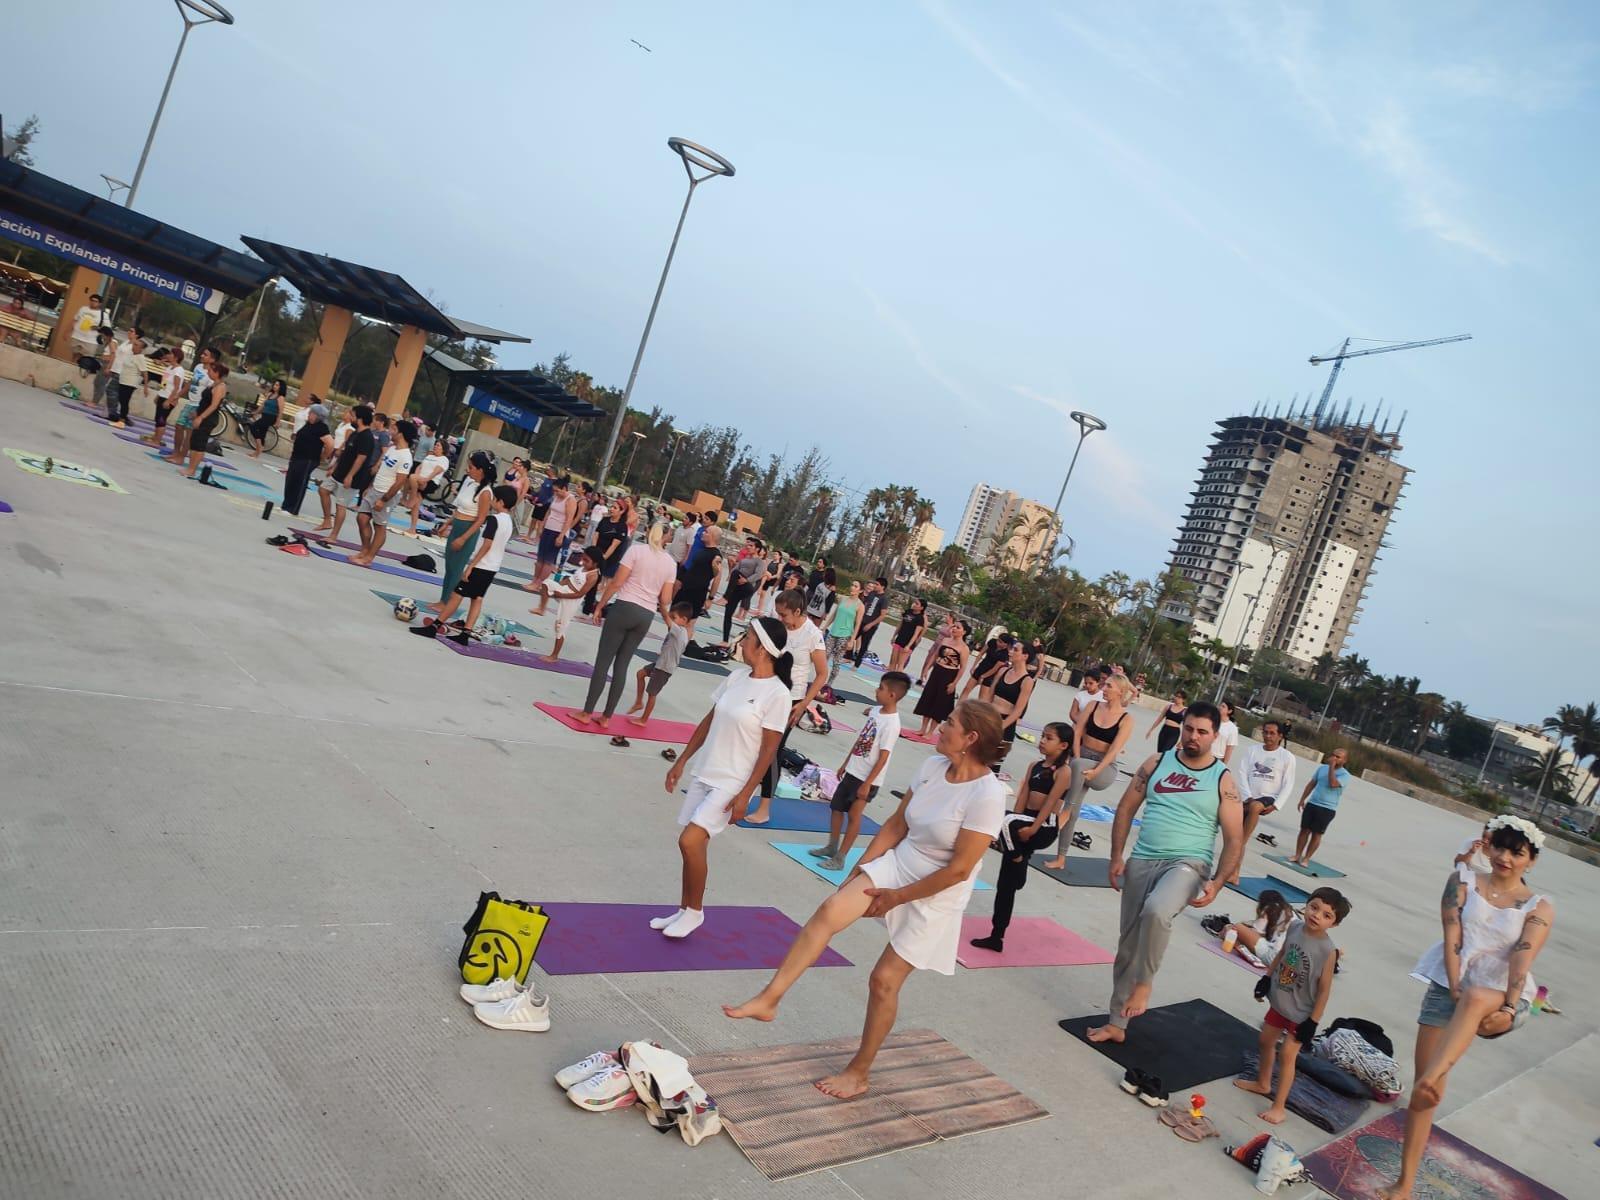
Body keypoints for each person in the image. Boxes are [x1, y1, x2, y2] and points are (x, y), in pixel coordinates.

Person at [723, 701, 1009, 1099]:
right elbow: (896, 824)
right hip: (904, 860)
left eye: (950, 723)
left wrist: (897, 897)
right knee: (830, 910)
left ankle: (859, 1071)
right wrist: (863, 868)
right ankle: (770, 998)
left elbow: (959, 869)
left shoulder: (988, 795)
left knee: (884, 982)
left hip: (940, 888)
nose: (941, 727)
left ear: (971, 739)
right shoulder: (931, 768)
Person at [1377, 817, 1553, 1200]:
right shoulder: (1462, 881)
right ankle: (1404, 1185)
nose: (1505, 858)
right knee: (1426, 1096)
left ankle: (1432, 1076)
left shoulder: (1539, 907)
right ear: (1488, 847)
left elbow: (1522, 960)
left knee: (1475, 1000)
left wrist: (1508, 1008)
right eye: (1500, 848)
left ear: (1531, 860)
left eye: (1517, 853)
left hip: (1502, 996)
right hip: (1448, 986)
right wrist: (1455, 985)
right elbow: (1451, 931)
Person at [1086, 701, 1244, 1045]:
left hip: (1189, 864)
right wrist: (1116, 855)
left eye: (1202, 732)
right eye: (1189, 729)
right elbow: (1127, 807)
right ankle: (1117, 1023)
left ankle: (1145, 983)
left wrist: (1217, 881)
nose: (1193, 737)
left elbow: (1234, 837)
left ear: (1215, 736)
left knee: (1157, 910)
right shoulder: (1156, 763)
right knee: (1128, 944)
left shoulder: (1222, 779)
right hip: (1143, 859)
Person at [649, 617, 794, 939]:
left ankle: (696, 912)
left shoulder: (777, 695)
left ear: (763, 648)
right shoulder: (736, 677)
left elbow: (768, 751)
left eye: (747, 638)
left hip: (733, 780)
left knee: (691, 840)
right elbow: (707, 721)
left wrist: (745, 794)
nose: (741, 643)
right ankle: (685, 909)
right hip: (707, 770)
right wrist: (682, 761)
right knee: (688, 845)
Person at [1236, 887, 1348, 1124]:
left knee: (1287, 1056)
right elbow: (1282, 955)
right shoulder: (1295, 927)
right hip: (1281, 1001)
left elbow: (1325, 989)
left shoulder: (1327, 951)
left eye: (1327, 915)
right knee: (1265, 1041)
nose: (1317, 915)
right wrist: (1266, 979)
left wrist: (1313, 1022)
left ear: (1334, 924)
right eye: (1314, 907)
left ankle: (1279, 1107)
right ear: (1306, 905)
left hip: (1301, 1014)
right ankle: (1263, 1083)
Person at [970, 721, 1074, 953]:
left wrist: (1032, 828)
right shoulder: (1034, 765)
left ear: (1063, 745)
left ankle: (1018, 859)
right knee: (1005, 885)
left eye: (1049, 738)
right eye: (1043, 736)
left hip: (1043, 826)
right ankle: (996, 936)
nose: (1043, 741)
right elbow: (1022, 797)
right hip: (1020, 824)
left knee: (1006, 823)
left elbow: (1050, 803)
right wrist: (1013, 826)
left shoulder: (1064, 771)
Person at [574, 522, 680, 729]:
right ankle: (606, 717)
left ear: (649, 532)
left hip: (624, 607)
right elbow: (666, 598)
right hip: (646, 614)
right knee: (622, 665)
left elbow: (616, 583)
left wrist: (599, 606)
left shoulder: (637, 551)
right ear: (667, 537)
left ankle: (587, 712)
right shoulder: (670, 563)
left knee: (603, 661)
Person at [745, 589, 829, 824]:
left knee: (772, 750)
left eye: (784, 615)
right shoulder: (781, 628)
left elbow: (822, 674)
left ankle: (764, 807)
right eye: (778, 614)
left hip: (792, 699)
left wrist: (804, 704)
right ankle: (744, 791)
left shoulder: (813, 634)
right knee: (753, 742)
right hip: (768, 690)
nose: (781, 619)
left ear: (798, 611)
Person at [812, 671, 910, 869]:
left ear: (892, 695)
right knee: (836, 808)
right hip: (853, 771)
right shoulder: (875, 712)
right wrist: (846, 762)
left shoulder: (892, 724)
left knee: (854, 816)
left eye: (881, 688)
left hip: (867, 779)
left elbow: (883, 757)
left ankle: (840, 857)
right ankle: (832, 846)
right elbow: (861, 740)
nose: (877, 691)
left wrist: (867, 783)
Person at [1041, 674, 1137, 868]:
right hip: (1081, 759)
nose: (1104, 689)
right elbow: (1077, 732)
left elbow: (1113, 750)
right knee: (1075, 807)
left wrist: (1095, 770)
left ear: (1120, 691)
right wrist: (1076, 756)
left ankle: (1065, 811)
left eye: (1109, 686)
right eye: (1104, 685)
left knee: (1071, 800)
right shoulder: (1093, 706)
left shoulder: (1127, 719)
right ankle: (1061, 858)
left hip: (1104, 768)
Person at [410, 485, 518, 643]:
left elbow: (487, 544)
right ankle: (465, 634)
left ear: (500, 502)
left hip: (482, 565)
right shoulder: (509, 521)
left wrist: (471, 566)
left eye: (493, 499)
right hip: (493, 566)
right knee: (477, 599)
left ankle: (434, 627)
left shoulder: (494, 520)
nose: (491, 502)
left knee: (456, 596)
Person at [434, 451, 497, 605]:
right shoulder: (469, 482)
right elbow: (458, 509)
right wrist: (447, 524)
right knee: (449, 566)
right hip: (457, 526)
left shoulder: (485, 492)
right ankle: (443, 600)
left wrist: (463, 538)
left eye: (471, 467)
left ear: (480, 470)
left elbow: (481, 519)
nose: (467, 470)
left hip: (468, 531)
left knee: (457, 569)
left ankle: (448, 603)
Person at [351, 418, 414, 567]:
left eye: (393, 429)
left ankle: (369, 557)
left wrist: (383, 499)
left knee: (379, 526)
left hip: (387, 495)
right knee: (361, 518)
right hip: (375, 489)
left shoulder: (405, 456)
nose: (390, 431)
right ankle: (365, 550)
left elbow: (399, 482)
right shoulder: (392, 448)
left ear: (401, 433)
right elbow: (382, 470)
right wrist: (370, 487)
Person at [1235, 719, 1299, 863]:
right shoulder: (1252, 750)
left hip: (1268, 797)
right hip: (1249, 796)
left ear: (1280, 736)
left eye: (1272, 733)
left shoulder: (1287, 757)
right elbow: (1242, 773)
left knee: (1255, 808)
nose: (1268, 736)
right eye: (1265, 732)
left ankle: (1242, 842)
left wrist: (1277, 805)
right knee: (1236, 835)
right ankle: (1234, 872)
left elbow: (1288, 783)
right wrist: (1248, 796)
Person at [312, 405, 374, 544]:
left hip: (353, 477)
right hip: (339, 472)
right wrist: (334, 467)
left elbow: (361, 458)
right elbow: (345, 453)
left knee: (341, 505)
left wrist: (350, 475)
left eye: (353, 415)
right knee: (323, 490)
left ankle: (334, 535)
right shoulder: (354, 433)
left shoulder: (367, 437)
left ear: (360, 419)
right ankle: (327, 520)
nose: (350, 418)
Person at [624, 601, 694, 725]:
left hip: (664, 668)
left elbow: (666, 618)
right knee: (640, 674)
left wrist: (662, 606)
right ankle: (639, 703)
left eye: (674, 618)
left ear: (684, 619)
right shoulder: (682, 632)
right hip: (661, 663)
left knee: (652, 694)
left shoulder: (678, 630)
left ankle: (643, 720)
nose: (671, 620)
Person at [568, 498, 628, 619]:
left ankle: (591, 609)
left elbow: (614, 545)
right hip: (598, 554)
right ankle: (586, 606)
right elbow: (596, 535)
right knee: (591, 581)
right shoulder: (605, 520)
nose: (612, 509)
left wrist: (603, 558)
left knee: (597, 582)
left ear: (621, 511)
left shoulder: (622, 527)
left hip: (609, 558)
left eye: (615, 508)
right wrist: (595, 552)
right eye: (612, 506)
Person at [911, 620, 970, 739]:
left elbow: (962, 668)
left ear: (964, 632)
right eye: (954, 626)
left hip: (949, 674)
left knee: (939, 702)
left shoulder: (964, 648)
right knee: (928, 697)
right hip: (937, 671)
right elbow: (935, 655)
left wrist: (954, 683)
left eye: (957, 627)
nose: (954, 629)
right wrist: (927, 669)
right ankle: (923, 728)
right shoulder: (946, 640)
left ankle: (930, 731)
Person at [538, 549, 598, 664]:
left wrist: (562, 594)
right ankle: (541, 608)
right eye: (583, 558)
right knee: (547, 583)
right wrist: (557, 587)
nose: (583, 562)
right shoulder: (582, 568)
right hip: (565, 590)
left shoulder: (593, 576)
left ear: (595, 563)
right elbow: (568, 580)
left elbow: (579, 594)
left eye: (587, 560)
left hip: (572, 599)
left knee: (560, 627)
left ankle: (554, 655)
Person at [981, 637, 1035, 762]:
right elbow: (990, 694)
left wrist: (1001, 726)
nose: (1010, 652)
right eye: (1011, 649)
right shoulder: (1003, 670)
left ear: (1025, 656)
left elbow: (1018, 710)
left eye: (1015, 650)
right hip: (991, 717)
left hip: (1005, 724)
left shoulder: (1027, 681)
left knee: (992, 763)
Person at [1293, 748, 1350, 867]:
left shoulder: (1345, 775)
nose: (1334, 758)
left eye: (1338, 757)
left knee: (1316, 834)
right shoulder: (1322, 768)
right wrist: (1302, 799)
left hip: (1327, 808)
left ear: (1344, 760)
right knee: (1304, 830)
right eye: (1333, 755)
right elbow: (1312, 784)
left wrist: (1331, 767)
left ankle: (1306, 858)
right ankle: (1297, 855)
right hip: (1313, 803)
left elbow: (1333, 783)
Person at [1205, 888, 1294, 963]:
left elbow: (1255, 930)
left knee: (1235, 928)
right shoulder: (1289, 912)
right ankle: (1237, 944)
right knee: (1240, 933)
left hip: (1273, 958)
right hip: (1287, 961)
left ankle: (1229, 938)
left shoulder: (1271, 908)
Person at [164, 346, 216, 466]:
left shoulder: (212, 374)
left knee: (189, 432)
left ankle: (181, 457)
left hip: (198, 405)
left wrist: (199, 411)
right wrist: (178, 395)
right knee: (178, 426)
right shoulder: (198, 367)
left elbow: (210, 395)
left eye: (206, 354)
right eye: (203, 353)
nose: (202, 356)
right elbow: (190, 383)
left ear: (212, 359)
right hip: (190, 403)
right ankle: (175, 453)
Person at [180, 362, 230, 479]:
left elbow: (213, 405)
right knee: (194, 441)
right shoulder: (213, 384)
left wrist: (201, 417)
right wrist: (196, 413)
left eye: (211, 371)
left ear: (217, 373)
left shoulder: (220, 387)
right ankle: (190, 468)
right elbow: (204, 403)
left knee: (199, 444)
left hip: (208, 419)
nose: (208, 372)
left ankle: (192, 470)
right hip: (201, 415)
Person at [281, 402, 332, 517]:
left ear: (317, 415)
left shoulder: (322, 428)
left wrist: (322, 456)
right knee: (290, 480)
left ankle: (293, 509)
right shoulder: (308, 424)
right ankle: (286, 505)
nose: (309, 415)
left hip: (308, 459)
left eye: (311, 413)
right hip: (297, 457)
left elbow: (330, 444)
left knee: (300, 483)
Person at [720, 537, 768, 645]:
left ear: (757, 549)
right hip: (737, 587)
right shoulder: (744, 559)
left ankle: (725, 597)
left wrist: (746, 580)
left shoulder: (759, 561)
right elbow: (736, 569)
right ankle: (725, 640)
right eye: (748, 545)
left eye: (751, 546)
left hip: (747, 586)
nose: (748, 547)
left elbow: (758, 574)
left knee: (736, 574)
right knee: (728, 612)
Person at [404, 435, 451, 534]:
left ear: (443, 449)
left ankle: (411, 498)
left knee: (412, 477)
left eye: (438, 446)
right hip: (420, 480)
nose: (435, 447)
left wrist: (426, 479)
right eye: (435, 445)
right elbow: (420, 467)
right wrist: (417, 475)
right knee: (416, 506)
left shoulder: (443, 459)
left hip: (430, 482)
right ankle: (412, 528)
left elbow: (437, 471)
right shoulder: (429, 456)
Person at [824, 579, 863, 688]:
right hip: (833, 632)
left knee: (836, 661)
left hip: (845, 635)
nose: (852, 587)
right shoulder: (843, 599)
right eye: (852, 585)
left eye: (856, 586)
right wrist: (825, 626)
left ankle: (829, 684)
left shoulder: (860, 605)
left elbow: (858, 624)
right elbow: (834, 615)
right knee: (825, 656)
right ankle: (820, 679)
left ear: (860, 590)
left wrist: (852, 640)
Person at [137, 348, 179, 447]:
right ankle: (156, 438)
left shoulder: (178, 370)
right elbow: (164, 383)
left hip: (168, 398)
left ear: (176, 357)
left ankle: (157, 441)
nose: (168, 356)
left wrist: (169, 400)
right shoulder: (169, 368)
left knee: (161, 419)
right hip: (163, 395)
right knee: (158, 418)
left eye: (171, 354)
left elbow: (177, 387)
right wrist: (159, 394)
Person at [107, 330, 148, 428]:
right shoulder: (131, 356)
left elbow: (145, 373)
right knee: (121, 400)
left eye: (137, 345)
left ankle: (122, 421)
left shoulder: (140, 358)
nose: (134, 347)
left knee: (124, 402)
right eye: (134, 345)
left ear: (141, 349)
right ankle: (122, 418)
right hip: (123, 380)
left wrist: (145, 387)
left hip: (130, 383)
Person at [852, 577, 889, 668]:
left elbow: (882, 615)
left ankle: (857, 664)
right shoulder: (872, 593)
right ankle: (847, 656)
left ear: (882, 587)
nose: (875, 586)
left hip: (871, 625)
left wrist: (871, 624)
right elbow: (865, 604)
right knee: (852, 637)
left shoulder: (884, 599)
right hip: (862, 620)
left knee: (864, 645)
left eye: (877, 585)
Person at [887, 598, 926, 672]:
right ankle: (889, 679)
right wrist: (894, 636)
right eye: (914, 603)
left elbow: (916, 634)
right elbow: (900, 624)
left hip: (908, 642)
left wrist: (908, 646)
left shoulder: (920, 618)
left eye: (917, 604)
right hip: (899, 639)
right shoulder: (908, 611)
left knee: (900, 665)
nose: (914, 604)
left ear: (921, 608)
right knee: (893, 662)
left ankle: (898, 681)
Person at [248, 379, 284, 457]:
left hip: (271, 417)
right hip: (264, 415)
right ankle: (257, 453)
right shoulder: (270, 394)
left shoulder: (280, 398)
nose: (275, 386)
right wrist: (256, 412)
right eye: (274, 384)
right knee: (262, 433)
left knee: (254, 426)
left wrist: (278, 422)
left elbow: (281, 411)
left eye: (277, 385)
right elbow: (263, 405)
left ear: (281, 387)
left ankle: (259, 447)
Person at [1145, 690, 1187, 755]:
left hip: (1174, 733)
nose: (1176, 698)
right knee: (1159, 751)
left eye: (1179, 697)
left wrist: (1181, 741)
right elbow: (1159, 719)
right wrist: (1151, 730)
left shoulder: (1185, 711)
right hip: (1164, 730)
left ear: (1183, 700)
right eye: (1176, 696)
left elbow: (1185, 727)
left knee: (1165, 751)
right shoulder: (1168, 707)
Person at [70, 293, 109, 360]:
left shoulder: (103, 315)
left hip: (91, 340)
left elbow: (107, 329)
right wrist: (68, 331)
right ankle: (72, 367)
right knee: (74, 355)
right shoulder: (83, 309)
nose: (93, 302)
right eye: (92, 300)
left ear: (99, 303)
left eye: (95, 301)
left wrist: (98, 328)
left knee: (85, 359)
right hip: (77, 336)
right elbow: (75, 320)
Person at [1214, 698, 1240, 767]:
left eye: (1223, 706)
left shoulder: (1232, 728)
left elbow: (1230, 748)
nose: (1220, 707)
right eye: (1220, 705)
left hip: (1217, 759)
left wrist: (1224, 765)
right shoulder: (1212, 721)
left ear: (1229, 711)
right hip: (1204, 755)